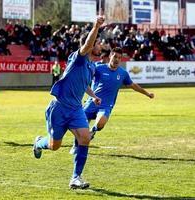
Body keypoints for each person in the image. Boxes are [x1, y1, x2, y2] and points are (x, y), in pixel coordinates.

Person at [33, 16, 104, 189]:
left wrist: (93, 95)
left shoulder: (91, 67)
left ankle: (76, 177)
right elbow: (86, 45)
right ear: (90, 45)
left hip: (76, 109)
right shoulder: (79, 57)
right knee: (54, 145)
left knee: (85, 138)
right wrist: (96, 26)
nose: (100, 45)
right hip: (59, 107)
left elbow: (84, 85)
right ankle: (38, 143)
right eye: (98, 43)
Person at [70, 47, 154, 154]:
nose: (117, 59)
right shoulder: (98, 68)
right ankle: (75, 145)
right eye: (115, 56)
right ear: (110, 56)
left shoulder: (123, 74)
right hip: (92, 102)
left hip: (105, 106)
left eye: (119, 57)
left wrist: (147, 94)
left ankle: (92, 132)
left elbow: (133, 85)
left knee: (101, 122)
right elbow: (84, 77)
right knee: (80, 125)